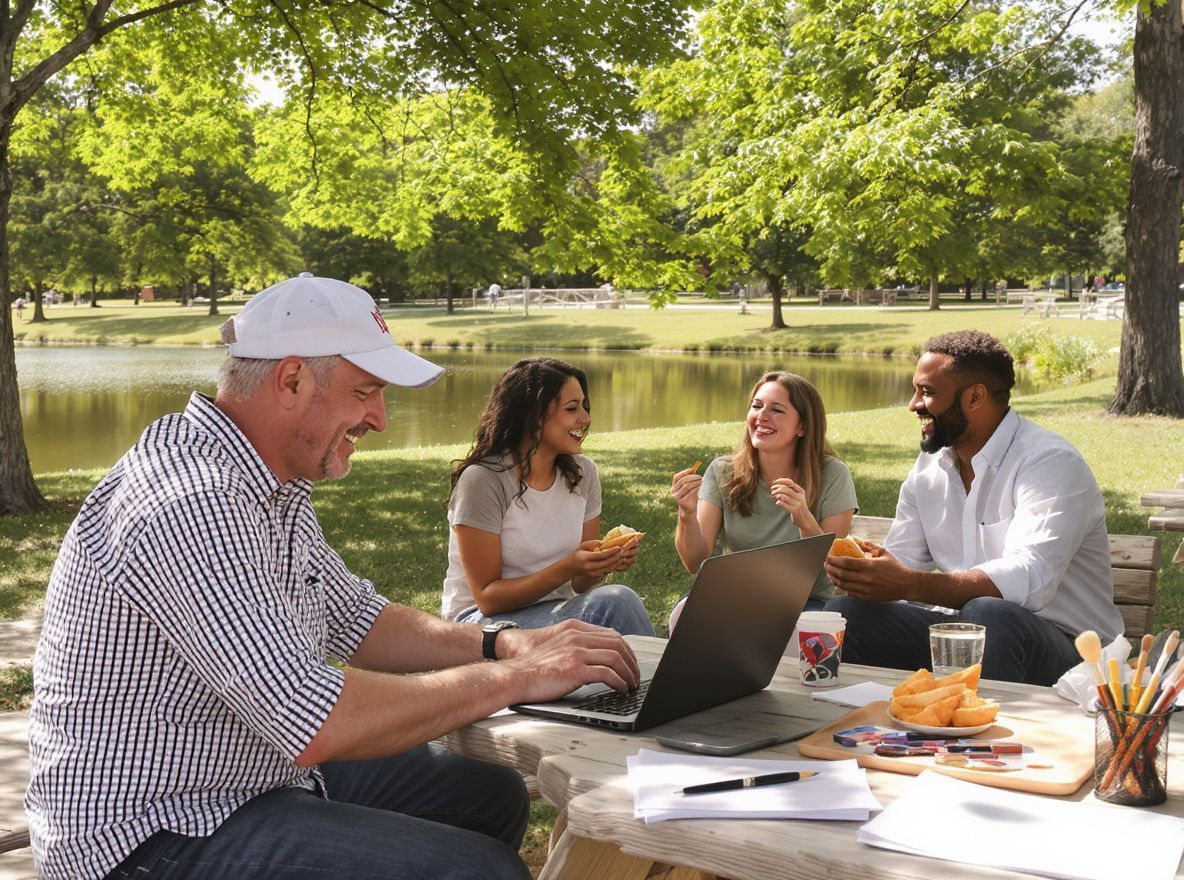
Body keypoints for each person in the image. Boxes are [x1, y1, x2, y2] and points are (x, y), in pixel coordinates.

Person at [25, 275, 641, 880]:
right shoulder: (194, 500)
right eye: (365, 392)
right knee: (479, 871)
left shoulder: (271, 478)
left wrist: (501, 641)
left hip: (244, 770)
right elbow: (312, 716)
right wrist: (520, 674)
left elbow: (356, 617)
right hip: (147, 836)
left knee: (490, 793)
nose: (380, 419)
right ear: (290, 379)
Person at [823, 330, 1123, 686]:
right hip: (963, 637)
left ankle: (982, 739)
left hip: (1071, 654)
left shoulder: (1049, 462)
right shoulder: (928, 469)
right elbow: (902, 567)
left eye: (927, 392)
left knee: (988, 614)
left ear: (975, 397)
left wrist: (910, 584)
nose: (913, 404)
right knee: (845, 614)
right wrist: (870, 576)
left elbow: (1031, 579)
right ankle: (864, 729)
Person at [442, 358, 655, 637]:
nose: (586, 419)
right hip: (477, 622)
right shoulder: (483, 480)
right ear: (533, 416)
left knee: (611, 607)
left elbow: (579, 583)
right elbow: (487, 597)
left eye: (584, 407)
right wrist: (566, 567)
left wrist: (601, 564)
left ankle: (656, 679)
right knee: (615, 604)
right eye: (571, 408)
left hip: (554, 609)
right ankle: (670, 680)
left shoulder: (583, 474)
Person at [668, 371, 859, 629]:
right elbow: (694, 561)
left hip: (807, 604)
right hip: (736, 599)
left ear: (802, 426)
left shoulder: (833, 474)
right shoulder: (723, 471)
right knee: (684, 614)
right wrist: (686, 513)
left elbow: (832, 569)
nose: (761, 416)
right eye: (756, 406)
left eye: (777, 410)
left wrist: (803, 518)